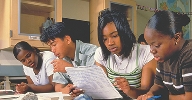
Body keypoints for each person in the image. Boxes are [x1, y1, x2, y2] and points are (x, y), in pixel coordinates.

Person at [92, 9, 156, 99]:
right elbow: (100, 88)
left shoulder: (145, 52)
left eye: (114, 36)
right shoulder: (101, 53)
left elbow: (146, 91)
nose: (110, 43)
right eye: (105, 39)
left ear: (125, 33)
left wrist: (129, 90)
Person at [137, 10, 192, 100]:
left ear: (176, 38)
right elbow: (158, 85)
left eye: (156, 45)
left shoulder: (189, 55)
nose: (152, 50)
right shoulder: (164, 56)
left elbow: (189, 97)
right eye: (150, 45)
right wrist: (150, 93)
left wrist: (163, 97)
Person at [40, 22, 98, 95]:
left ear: (67, 40)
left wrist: (69, 69)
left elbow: (95, 82)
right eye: (50, 46)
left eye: (54, 44)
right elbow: (57, 86)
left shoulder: (92, 52)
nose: (52, 50)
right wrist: (64, 89)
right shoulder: (62, 58)